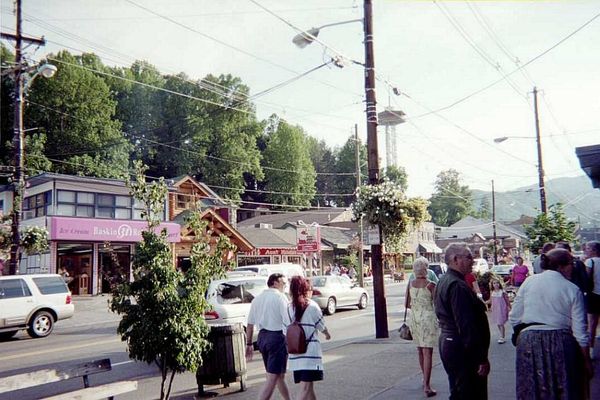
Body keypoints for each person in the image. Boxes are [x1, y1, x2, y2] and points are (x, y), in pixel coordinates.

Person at [509, 248, 592, 399]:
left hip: (528, 341)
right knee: (563, 387)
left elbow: (514, 317)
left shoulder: (529, 282)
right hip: (560, 342)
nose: (573, 267)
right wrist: (586, 361)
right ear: (562, 266)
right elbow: (580, 332)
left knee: (531, 388)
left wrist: (523, 334)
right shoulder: (572, 289)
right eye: (571, 263)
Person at [435, 244, 490, 399]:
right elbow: (466, 326)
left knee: (460, 391)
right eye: (468, 257)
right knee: (469, 392)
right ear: (455, 259)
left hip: (451, 343)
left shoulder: (446, 280)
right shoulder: (456, 285)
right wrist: (480, 358)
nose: (472, 260)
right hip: (461, 347)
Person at [246, 273, 292, 400]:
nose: (285, 285)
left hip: (262, 338)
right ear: (275, 283)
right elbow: (288, 322)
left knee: (278, 375)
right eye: (283, 283)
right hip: (276, 338)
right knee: (272, 377)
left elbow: (250, 324)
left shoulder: (257, 299)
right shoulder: (280, 298)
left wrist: (249, 344)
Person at [287, 276, 331, 400]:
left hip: (295, 354)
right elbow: (321, 325)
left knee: (309, 385)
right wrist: (327, 334)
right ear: (305, 290)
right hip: (310, 353)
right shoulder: (312, 306)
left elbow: (286, 329)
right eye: (310, 289)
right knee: (305, 387)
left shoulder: (288, 307)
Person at [405, 257, 439, 397]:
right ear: (426, 269)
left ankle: (424, 379)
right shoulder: (430, 285)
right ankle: (427, 385)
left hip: (415, 318)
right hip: (428, 318)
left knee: (420, 350)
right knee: (428, 352)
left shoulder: (411, 284)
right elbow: (437, 304)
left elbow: (407, 304)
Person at [584, 240, 600, 353]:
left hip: (593, 295)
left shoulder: (590, 262)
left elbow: (586, 278)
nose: (586, 250)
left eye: (588, 248)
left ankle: (591, 349)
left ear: (594, 250)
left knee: (592, 323)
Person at [487, 278, 511, 344]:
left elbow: (507, 300)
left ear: (499, 284)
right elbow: (490, 300)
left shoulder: (502, 291)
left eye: (497, 283)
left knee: (501, 323)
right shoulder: (492, 292)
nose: (496, 284)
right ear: (492, 285)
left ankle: (502, 337)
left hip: (501, 308)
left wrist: (509, 307)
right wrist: (484, 301)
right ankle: (501, 335)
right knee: (498, 323)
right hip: (495, 309)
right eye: (494, 283)